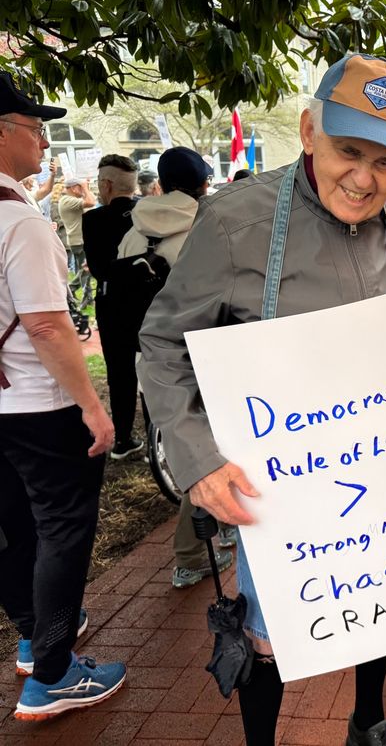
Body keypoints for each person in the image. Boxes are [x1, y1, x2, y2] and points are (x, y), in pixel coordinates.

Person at [137, 55, 386, 746]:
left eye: (385, 163)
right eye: (347, 151)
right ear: (309, 131)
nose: (363, 179)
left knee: (379, 602)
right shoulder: (236, 221)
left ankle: (368, 717)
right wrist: (198, 459)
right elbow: (162, 343)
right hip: (281, 482)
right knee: (267, 638)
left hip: (382, 468)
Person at [0, 70, 126, 720]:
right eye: (33, 126)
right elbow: (48, 323)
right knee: (63, 531)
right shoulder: (20, 223)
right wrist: (91, 405)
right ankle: (51, 673)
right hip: (39, 407)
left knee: (16, 530)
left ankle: (33, 636)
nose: (44, 140)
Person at [118, 147, 238, 586]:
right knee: (209, 452)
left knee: (179, 447)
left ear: (161, 185)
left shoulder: (135, 230)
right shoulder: (213, 227)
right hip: (204, 361)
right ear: (204, 184)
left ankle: (211, 535)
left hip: (152, 361)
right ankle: (191, 553)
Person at [82, 154, 145, 459]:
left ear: (106, 185)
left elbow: (98, 268)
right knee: (152, 370)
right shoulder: (150, 214)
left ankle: (123, 437)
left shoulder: (93, 220)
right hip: (150, 303)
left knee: (120, 374)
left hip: (113, 307)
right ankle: (158, 435)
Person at [58, 175, 97, 304]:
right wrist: (85, 187)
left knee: (85, 269)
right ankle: (72, 289)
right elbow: (91, 202)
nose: (83, 190)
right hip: (78, 241)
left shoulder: (70, 199)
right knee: (87, 269)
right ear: (74, 188)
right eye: (80, 187)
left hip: (79, 240)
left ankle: (87, 297)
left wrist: (85, 187)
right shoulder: (67, 200)